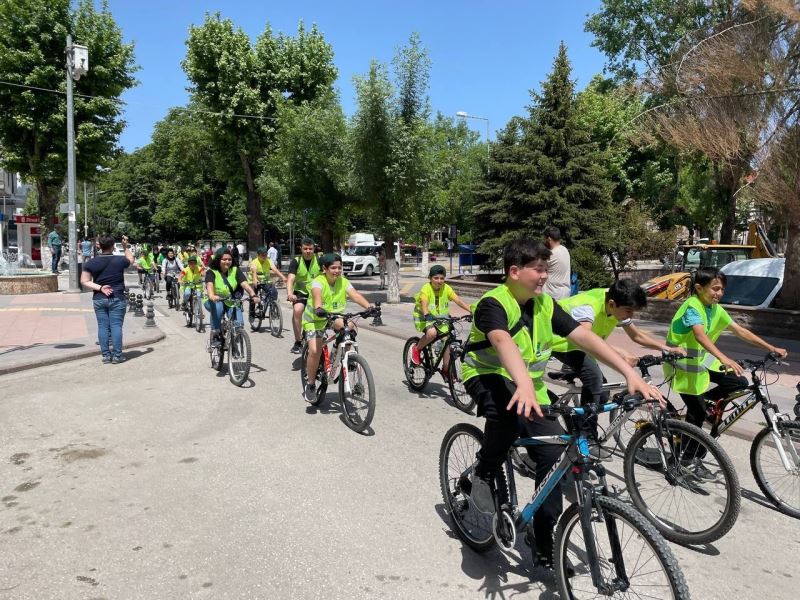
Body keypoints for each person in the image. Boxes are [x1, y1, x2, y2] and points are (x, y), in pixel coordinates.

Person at [459, 238, 662, 568]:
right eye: (538, 270)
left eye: (545, 269)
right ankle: (484, 472)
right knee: (507, 418)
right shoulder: (493, 303)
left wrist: (629, 373)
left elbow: (584, 338)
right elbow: (501, 340)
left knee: (554, 456)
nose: (544, 276)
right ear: (514, 271)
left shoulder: (544, 305)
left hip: (529, 384)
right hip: (487, 373)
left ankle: (542, 538)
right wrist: (522, 383)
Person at [664, 266, 788, 446]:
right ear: (699, 288)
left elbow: (740, 331)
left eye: (722, 289)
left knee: (738, 382)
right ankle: (687, 459)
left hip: (700, 362)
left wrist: (771, 347)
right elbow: (699, 335)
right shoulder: (692, 306)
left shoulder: (714, 309)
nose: (720, 293)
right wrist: (724, 358)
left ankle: (704, 406)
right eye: (715, 288)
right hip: (682, 366)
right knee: (697, 413)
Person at [551, 279, 682, 410]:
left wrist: (667, 348)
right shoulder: (588, 307)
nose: (631, 315)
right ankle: (586, 429)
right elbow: (584, 340)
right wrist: (619, 353)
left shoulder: (616, 304)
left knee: (602, 394)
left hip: (581, 345)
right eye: (629, 311)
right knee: (594, 379)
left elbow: (636, 336)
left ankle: (579, 420)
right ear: (612, 304)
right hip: (562, 344)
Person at [301, 253, 374, 402]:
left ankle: (348, 357)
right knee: (315, 350)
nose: (337, 271)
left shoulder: (343, 281)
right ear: (324, 269)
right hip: (315, 319)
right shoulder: (318, 282)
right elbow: (317, 297)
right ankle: (310, 384)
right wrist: (318, 307)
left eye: (339, 268)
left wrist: (369, 306)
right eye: (333, 268)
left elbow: (355, 295)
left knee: (350, 325)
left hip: (333, 316)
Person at [81, 235, 135, 364]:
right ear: (113, 246)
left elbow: (84, 281)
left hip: (99, 298)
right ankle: (117, 356)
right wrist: (125, 246)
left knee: (102, 326)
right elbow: (131, 260)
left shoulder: (91, 262)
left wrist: (100, 288)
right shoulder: (120, 260)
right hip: (117, 297)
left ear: (99, 246)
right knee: (116, 326)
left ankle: (106, 355)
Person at [410, 265, 471, 376]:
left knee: (448, 340)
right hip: (424, 318)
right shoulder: (426, 288)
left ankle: (446, 369)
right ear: (430, 278)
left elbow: (457, 300)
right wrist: (426, 314)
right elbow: (424, 302)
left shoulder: (446, 288)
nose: (439, 281)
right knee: (432, 333)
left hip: (441, 320)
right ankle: (417, 348)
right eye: (436, 278)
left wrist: (471, 310)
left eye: (442, 278)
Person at [204, 248, 259, 348]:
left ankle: (234, 339)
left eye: (229, 259)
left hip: (231, 300)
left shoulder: (235, 270)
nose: (227, 261)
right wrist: (212, 295)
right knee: (218, 308)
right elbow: (209, 285)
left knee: (239, 323)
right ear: (218, 260)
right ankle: (216, 334)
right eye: (224, 259)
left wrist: (253, 295)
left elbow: (245, 284)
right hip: (215, 300)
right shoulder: (212, 272)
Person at [286, 238, 321, 354]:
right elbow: (290, 279)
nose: (308, 251)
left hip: (316, 292)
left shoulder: (319, 260)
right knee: (297, 310)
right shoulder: (296, 261)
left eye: (310, 249)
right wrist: (290, 293)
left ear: (314, 249)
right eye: (305, 248)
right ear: (301, 248)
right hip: (300, 293)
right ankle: (298, 342)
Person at [248, 245, 287, 320]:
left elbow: (275, 269)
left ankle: (273, 308)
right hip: (254, 281)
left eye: (265, 255)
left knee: (274, 291)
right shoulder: (254, 262)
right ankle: (252, 313)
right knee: (253, 296)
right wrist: (255, 280)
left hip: (265, 281)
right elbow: (254, 272)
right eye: (262, 255)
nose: (264, 256)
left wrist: (283, 277)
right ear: (258, 255)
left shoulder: (268, 260)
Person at [542, 226, 571, 300]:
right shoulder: (565, 250)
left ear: (549, 239)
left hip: (552, 295)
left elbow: (539, 268)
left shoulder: (551, 254)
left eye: (544, 239)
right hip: (565, 293)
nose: (544, 241)